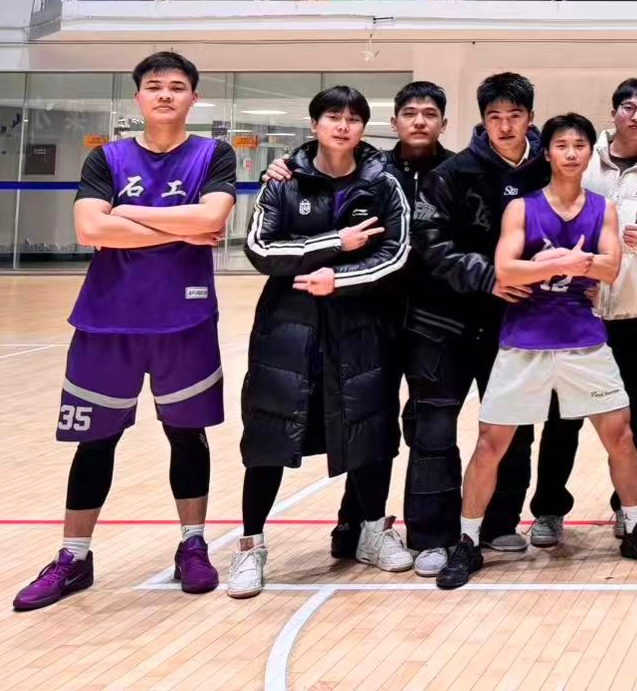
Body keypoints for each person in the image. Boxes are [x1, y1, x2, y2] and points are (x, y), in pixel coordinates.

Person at [13, 53, 237, 612]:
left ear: (193, 99)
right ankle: (73, 556)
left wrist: (127, 216)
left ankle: (192, 545)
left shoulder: (214, 154)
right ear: (138, 97)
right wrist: (178, 225)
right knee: (95, 442)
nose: (165, 95)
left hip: (185, 321)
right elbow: (90, 228)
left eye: (177, 87)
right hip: (106, 321)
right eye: (154, 86)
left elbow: (212, 220)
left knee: (187, 435)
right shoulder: (106, 157)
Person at [436, 113, 637, 587]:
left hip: (584, 341)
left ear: (589, 153)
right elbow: (506, 270)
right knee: (490, 443)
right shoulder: (521, 208)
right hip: (523, 341)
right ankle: (467, 540)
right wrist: (570, 261)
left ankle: (634, 527)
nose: (570, 153)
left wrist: (547, 263)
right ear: (548, 153)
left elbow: (609, 270)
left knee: (621, 437)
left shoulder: (603, 208)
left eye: (579, 145)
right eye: (562, 145)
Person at [229, 85, 414, 598]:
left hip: (361, 326)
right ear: (315, 125)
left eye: (353, 118)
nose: (343, 125)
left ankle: (372, 533)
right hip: (288, 327)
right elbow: (261, 249)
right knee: (269, 434)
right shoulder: (283, 181)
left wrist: (339, 278)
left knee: (370, 429)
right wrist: (336, 243)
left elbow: (396, 254)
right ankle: (250, 547)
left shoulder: (383, 182)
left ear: (363, 127)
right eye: (333, 116)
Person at [262, 79, 456, 561]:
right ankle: (356, 523)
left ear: (443, 122)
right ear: (393, 122)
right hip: (372, 316)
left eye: (429, 114)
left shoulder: (458, 171)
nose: (419, 121)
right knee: (366, 420)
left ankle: (423, 532)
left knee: (422, 430)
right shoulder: (372, 170)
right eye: (409, 113)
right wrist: (285, 166)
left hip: (437, 320)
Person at [528, 78, 637, 547]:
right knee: (562, 416)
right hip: (575, 310)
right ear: (614, 112)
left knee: (632, 413)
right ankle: (549, 509)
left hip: (634, 310)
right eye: (628, 107)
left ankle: (627, 508)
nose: (636, 116)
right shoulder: (582, 157)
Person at [408, 73, 551, 575]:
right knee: (433, 429)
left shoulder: (548, 170)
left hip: (515, 324)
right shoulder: (450, 173)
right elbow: (429, 242)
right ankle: (431, 535)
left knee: (513, 428)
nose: (505, 126)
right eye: (495, 117)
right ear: (482, 120)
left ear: (530, 118)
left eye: (514, 116)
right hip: (443, 322)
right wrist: (489, 276)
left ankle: (499, 523)